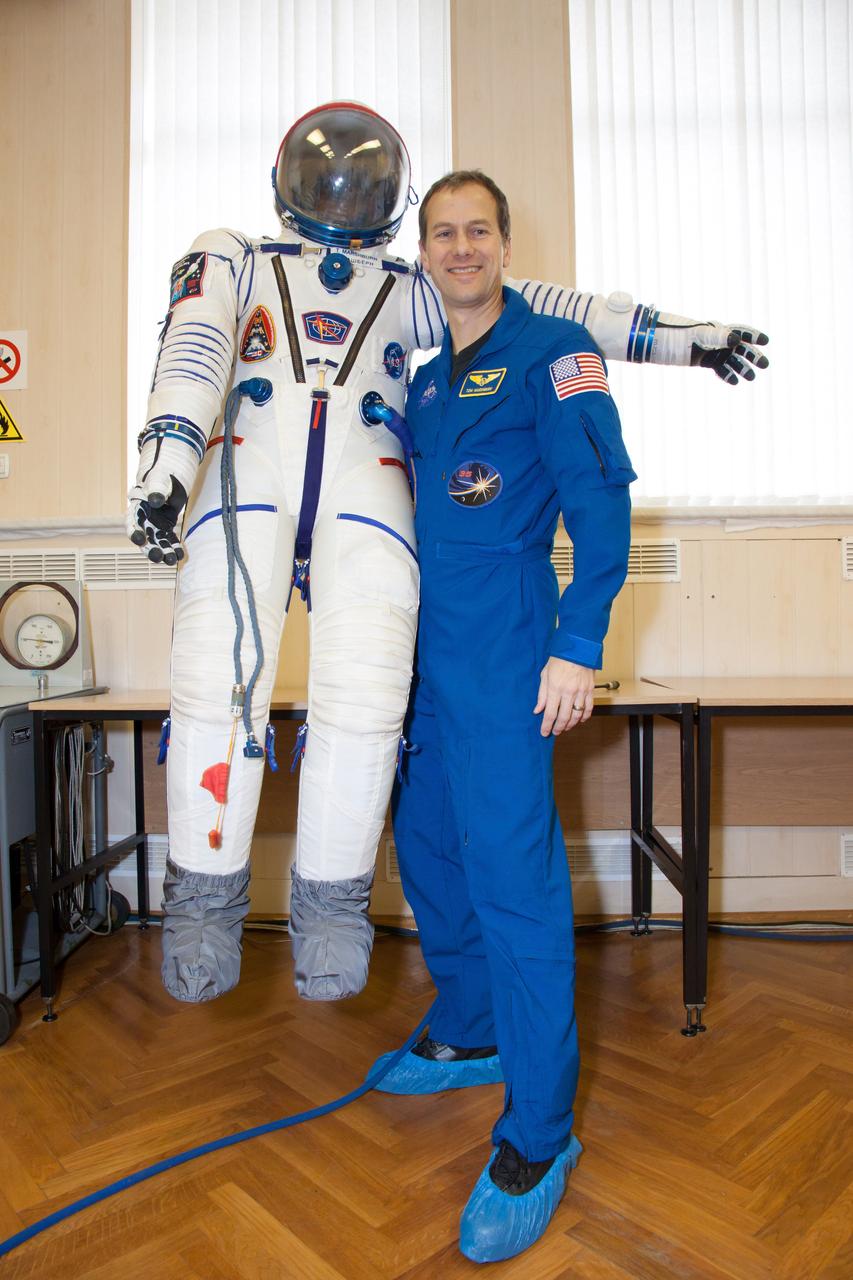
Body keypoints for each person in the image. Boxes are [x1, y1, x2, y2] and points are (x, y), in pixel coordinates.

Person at [126, 102, 768, 1008]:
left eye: (367, 178)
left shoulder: (410, 285)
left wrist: (677, 338)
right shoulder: (234, 256)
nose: (343, 193)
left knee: (367, 694)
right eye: (325, 176)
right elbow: (191, 354)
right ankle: (202, 899)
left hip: (369, 483)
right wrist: (166, 467)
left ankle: (331, 904)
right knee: (215, 678)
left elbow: (549, 306)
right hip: (245, 473)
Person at [369, 170, 633, 1264]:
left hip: (508, 649)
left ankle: (538, 1130)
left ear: (504, 244)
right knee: (428, 851)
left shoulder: (553, 356)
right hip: (422, 657)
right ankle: (471, 1023)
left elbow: (602, 499)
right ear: (425, 252)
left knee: (514, 882)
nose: (461, 247)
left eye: (478, 229)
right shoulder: (427, 382)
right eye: (443, 233)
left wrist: (577, 641)